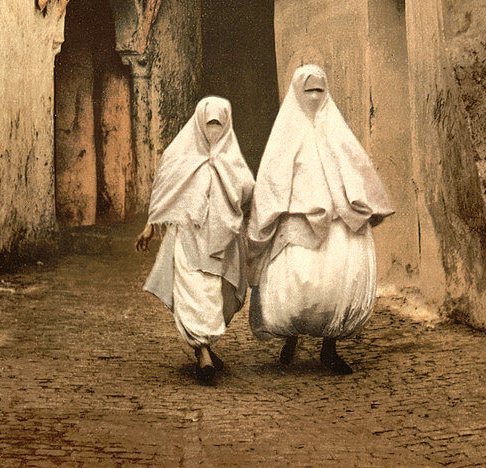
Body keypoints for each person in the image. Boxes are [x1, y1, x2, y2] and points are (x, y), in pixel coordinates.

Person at [248, 64, 394, 374]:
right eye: (308, 91)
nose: (314, 97)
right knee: (298, 287)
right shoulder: (285, 137)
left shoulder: (337, 132)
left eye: (320, 90)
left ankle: (330, 347)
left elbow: (358, 168)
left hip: (339, 223)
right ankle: (290, 336)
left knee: (335, 287)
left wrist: (364, 204)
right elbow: (272, 180)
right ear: (296, 93)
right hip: (297, 224)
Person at [135, 96, 254, 383]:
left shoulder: (232, 160)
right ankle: (202, 352)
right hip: (188, 239)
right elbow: (165, 194)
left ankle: (205, 346)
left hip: (221, 243)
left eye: (219, 125)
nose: (214, 131)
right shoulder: (180, 157)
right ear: (200, 124)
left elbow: (248, 192)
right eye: (209, 124)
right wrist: (151, 226)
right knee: (193, 292)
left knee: (216, 295)